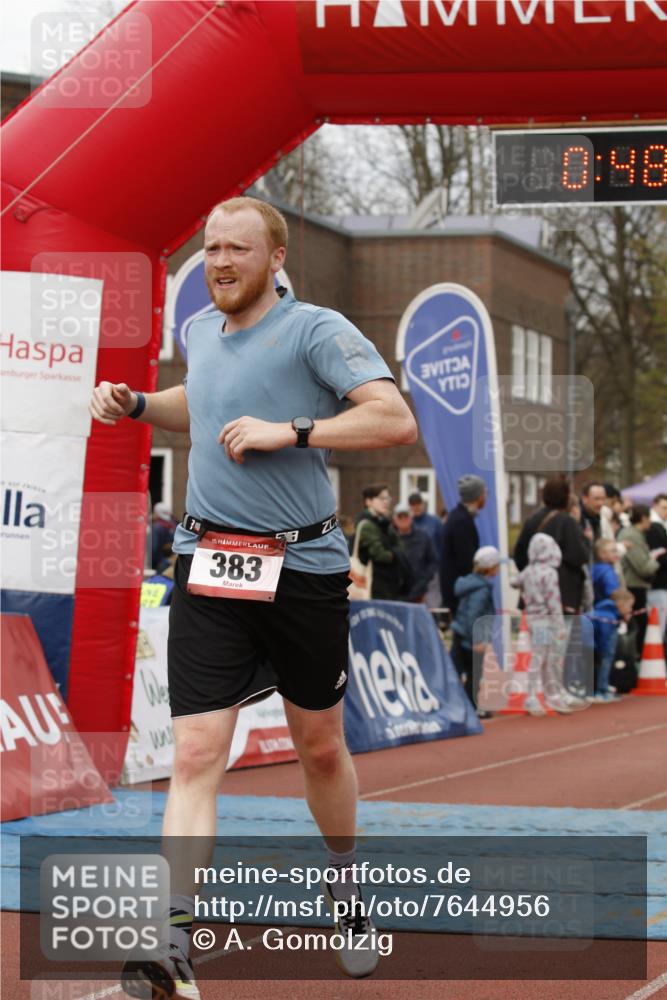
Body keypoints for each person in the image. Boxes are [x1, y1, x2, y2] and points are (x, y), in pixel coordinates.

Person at [90, 196, 417, 994]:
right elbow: (199, 405)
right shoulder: (199, 331)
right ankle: (171, 943)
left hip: (301, 571)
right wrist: (139, 404)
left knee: (320, 748)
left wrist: (293, 431)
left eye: (237, 249)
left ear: (275, 259)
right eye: (209, 250)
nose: (220, 263)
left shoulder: (316, 329)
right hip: (206, 561)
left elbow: (392, 418)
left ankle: (345, 888)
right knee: (198, 752)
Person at [512, 533, 574, 715]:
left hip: (531, 617)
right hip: (545, 620)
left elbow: (514, 581)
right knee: (543, 657)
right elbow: (553, 599)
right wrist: (559, 624)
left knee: (542, 656)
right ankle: (536, 696)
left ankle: (548, 695)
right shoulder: (550, 573)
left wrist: (526, 589)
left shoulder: (529, 571)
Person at [513, 475, 589, 616]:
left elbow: (519, 555)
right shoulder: (568, 523)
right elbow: (579, 556)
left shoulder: (531, 520)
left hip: (534, 595)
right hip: (562, 596)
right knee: (560, 636)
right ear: (566, 497)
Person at [450, 545, 500, 714]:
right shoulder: (482, 589)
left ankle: (457, 706)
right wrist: (477, 639)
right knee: (473, 674)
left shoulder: (469, 584)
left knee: (456, 671)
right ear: (490, 567)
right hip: (470, 638)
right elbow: (474, 614)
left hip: (460, 633)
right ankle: (470, 708)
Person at [439, 474, 487, 615]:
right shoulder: (462, 521)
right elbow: (465, 561)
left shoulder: (459, 517)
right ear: (478, 496)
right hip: (460, 595)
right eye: (484, 492)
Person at [618, 504, 660, 658]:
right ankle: (632, 665)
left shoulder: (636, 535)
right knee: (638, 627)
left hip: (637, 586)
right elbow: (642, 567)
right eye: (649, 518)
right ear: (643, 518)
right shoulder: (631, 536)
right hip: (632, 587)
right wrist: (656, 559)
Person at [356, 484, 407, 600]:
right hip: (373, 585)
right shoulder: (366, 524)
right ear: (368, 501)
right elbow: (380, 554)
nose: (386, 502)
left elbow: (401, 546)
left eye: (388, 498)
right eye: (381, 498)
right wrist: (395, 554)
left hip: (387, 584)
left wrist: (395, 553)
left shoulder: (385, 523)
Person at [589, 587, 634, 703]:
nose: (630, 610)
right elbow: (605, 638)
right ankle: (601, 690)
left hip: (588, 643)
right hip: (594, 644)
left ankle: (598, 689)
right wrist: (600, 652)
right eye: (629, 606)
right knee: (605, 660)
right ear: (621, 604)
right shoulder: (609, 617)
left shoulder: (601, 611)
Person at [393, 504, 438, 603]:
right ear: (394, 520)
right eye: (400, 516)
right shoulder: (390, 538)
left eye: (406, 516)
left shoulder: (423, 537)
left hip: (420, 592)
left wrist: (425, 579)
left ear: (411, 518)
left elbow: (433, 561)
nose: (403, 519)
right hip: (396, 592)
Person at [407, 491, 444, 608]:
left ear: (423, 504)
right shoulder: (408, 523)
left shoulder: (435, 522)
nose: (416, 507)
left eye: (418, 504)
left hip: (432, 572)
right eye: (413, 504)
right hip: (414, 573)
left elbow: (443, 545)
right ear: (409, 506)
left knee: (432, 605)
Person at [646, 493, 667, 654]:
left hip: (661, 585)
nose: (666, 511)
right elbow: (658, 558)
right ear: (654, 506)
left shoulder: (661, 526)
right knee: (657, 629)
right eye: (664, 508)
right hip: (657, 585)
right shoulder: (654, 527)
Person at [151, 501, 177, 572]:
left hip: (161, 565)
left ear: (157, 513)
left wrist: (153, 564)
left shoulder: (157, 527)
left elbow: (154, 548)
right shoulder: (175, 525)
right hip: (174, 563)